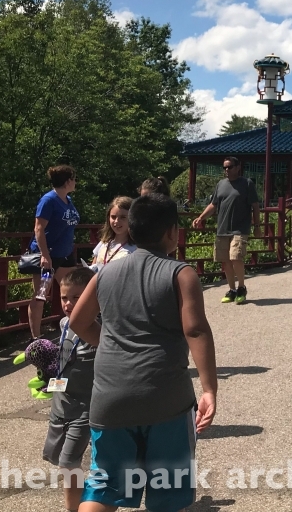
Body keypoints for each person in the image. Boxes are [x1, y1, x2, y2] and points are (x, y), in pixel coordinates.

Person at [70, 193, 217, 512]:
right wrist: (209, 389)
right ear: (171, 232)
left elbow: (78, 322)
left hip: (110, 399)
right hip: (166, 400)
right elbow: (195, 330)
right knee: (168, 493)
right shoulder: (181, 274)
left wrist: (108, 341)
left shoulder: (104, 274)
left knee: (104, 487)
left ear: (131, 229)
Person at [43, 267, 97, 512]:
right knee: (56, 456)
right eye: (65, 297)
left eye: (77, 297)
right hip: (62, 404)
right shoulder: (64, 324)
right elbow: (63, 363)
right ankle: (85, 496)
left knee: (67, 461)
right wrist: (46, 377)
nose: (68, 303)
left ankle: (74, 509)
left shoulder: (98, 330)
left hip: (87, 407)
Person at [192, 156, 261, 305]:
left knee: (236, 257)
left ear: (238, 167)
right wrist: (201, 218)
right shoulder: (220, 184)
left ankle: (242, 287)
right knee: (226, 261)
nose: (226, 170)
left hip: (240, 229)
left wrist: (257, 226)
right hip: (222, 228)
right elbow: (213, 205)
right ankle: (232, 290)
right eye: (224, 167)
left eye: (229, 167)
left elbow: (255, 206)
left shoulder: (247, 184)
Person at [28, 165, 82, 340]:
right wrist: (44, 255)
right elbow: (39, 228)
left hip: (65, 255)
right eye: (73, 179)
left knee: (75, 292)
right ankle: (35, 339)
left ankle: (76, 331)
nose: (75, 182)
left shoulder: (68, 199)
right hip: (49, 257)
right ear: (67, 181)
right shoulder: (49, 200)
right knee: (41, 294)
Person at [90, 197, 136, 273]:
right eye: (113, 217)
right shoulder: (104, 242)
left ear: (132, 218)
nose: (117, 221)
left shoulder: (136, 247)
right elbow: (93, 267)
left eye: (123, 217)